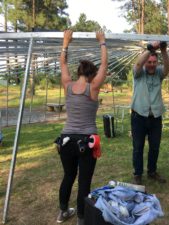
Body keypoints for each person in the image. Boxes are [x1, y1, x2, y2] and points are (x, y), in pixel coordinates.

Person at [56, 29, 107, 225]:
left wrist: (65, 41)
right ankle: (81, 218)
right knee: (84, 181)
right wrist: (101, 41)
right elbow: (104, 64)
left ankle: (62, 212)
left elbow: (62, 63)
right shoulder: (93, 88)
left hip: (66, 140)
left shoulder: (67, 85)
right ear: (92, 74)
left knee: (69, 176)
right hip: (86, 141)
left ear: (78, 72)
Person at [131, 41, 169, 185]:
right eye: (149, 62)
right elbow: (138, 64)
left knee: (154, 146)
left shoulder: (159, 73)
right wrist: (150, 49)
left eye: (154, 62)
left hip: (155, 117)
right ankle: (137, 174)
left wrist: (164, 50)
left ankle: (152, 171)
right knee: (138, 147)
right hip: (138, 116)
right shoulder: (139, 73)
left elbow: (167, 67)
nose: (152, 64)